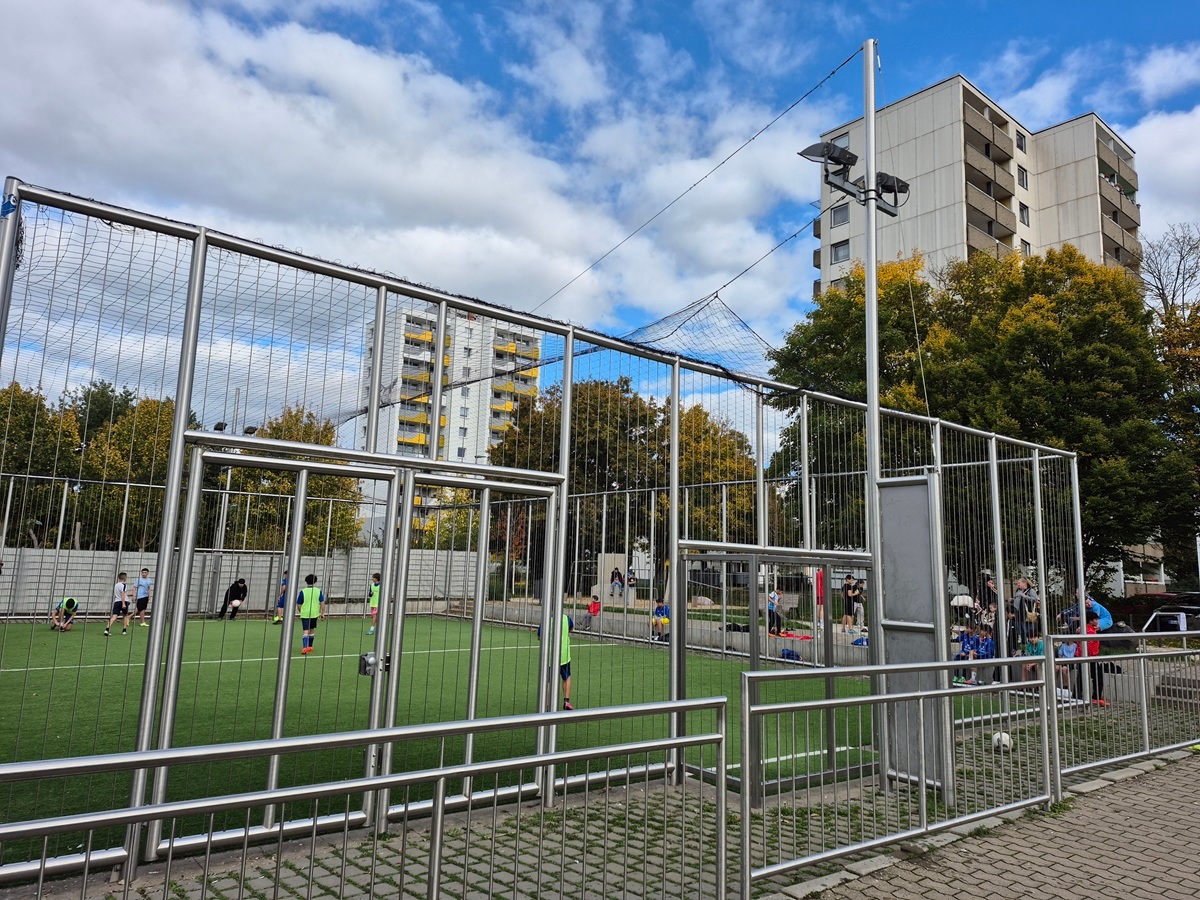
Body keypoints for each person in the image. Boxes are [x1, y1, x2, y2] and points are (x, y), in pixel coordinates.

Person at [534, 612, 575, 710]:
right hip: (564, 655)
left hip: (549, 656)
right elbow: (571, 628)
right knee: (566, 677)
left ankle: (547, 705)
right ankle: (566, 701)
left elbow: (539, 636)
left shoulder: (546, 619)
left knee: (548, 680)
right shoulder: (566, 618)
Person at [295, 574, 326, 655]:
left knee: (305, 630)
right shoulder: (318, 591)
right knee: (312, 629)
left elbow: (298, 604)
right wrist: (322, 613)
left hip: (305, 613)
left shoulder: (303, 591)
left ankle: (304, 647)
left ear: (306, 581)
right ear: (315, 582)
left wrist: (301, 611)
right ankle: (310, 646)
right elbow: (322, 603)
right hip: (315, 613)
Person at [1013, 577, 1039, 646]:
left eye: (1019, 583)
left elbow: (1036, 599)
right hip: (1019, 615)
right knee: (1022, 633)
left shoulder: (1031, 591)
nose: (1018, 584)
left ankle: (1031, 646)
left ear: (1024, 583)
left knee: (1029, 632)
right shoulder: (1018, 591)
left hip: (1028, 616)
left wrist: (1026, 597)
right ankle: (1024, 647)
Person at [104, 572, 132, 637]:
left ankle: (107, 629)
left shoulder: (116, 585)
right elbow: (122, 594)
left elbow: (120, 594)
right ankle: (124, 630)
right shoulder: (124, 585)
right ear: (125, 578)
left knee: (114, 616)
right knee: (125, 615)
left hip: (116, 601)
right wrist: (123, 603)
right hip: (123, 601)